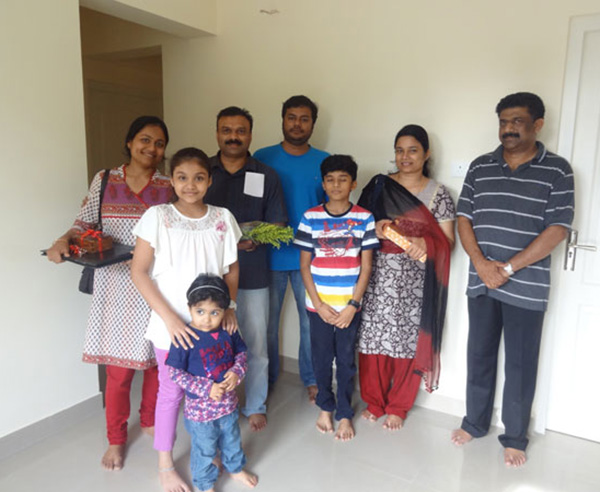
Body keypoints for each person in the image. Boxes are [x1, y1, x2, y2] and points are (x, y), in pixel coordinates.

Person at [451, 92, 575, 468]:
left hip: (526, 286)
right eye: (504, 121)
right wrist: (482, 265)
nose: (508, 129)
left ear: (538, 125)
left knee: (521, 363)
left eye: (517, 121)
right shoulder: (480, 165)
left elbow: (557, 229)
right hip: (482, 282)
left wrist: (507, 268)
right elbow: (463, 219)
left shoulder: (558, 170)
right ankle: (474, 422)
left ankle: (515, 435)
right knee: (480, 355)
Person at [45, 116, 172, 471]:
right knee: (118, 372)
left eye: (159, 143)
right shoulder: (104, 180)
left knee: (157, 363)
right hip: (114, 285)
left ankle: (149, 420)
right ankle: (116, 439)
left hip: (156, 283)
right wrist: (62, 241)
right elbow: (84, 223)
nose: (152, 148)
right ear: (130, 142)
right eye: (145, 140)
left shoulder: (168, 185)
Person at [131, 147, 242, 492]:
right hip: (172, 328)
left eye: (198, 177)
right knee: (172, 392)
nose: (190, 185)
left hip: (212, 326)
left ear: (209, 180)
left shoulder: (223, 217)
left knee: (214, 389)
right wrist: (170, 320)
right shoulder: (158, 216)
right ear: (171, 180)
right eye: (182, 177)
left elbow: (232, 268)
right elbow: (139, 271)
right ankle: (165, 464)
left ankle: (211, 451)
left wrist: (230, 308)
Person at [356, 125, 455, 431]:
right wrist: (376, 227)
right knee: (372, 338)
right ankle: (374, 401)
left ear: (426, 154)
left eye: (413, 150)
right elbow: (356, 224)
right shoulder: (378, 187)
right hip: (375, 275)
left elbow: (448, 241)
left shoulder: (439, 194)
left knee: (406, 343)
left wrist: (429, 243)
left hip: (416, 282)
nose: (405, 156)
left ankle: (398, 405)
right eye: (400, 150)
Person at [204, 106, 287, 432]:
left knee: (255, 342)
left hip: (252, 272)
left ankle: (255, 404)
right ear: (217, 133)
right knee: (207, 341)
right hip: (207, 275)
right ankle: (209, 398)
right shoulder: (202, 171)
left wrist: (250, 237)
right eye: (227, 130)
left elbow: (278, 224)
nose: (233, 136)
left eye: (240, 130)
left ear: (250, 135)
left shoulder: (266, 174)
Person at [295, 155, 378, 441]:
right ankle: (325, 407)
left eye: (343, 179)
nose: (336, 184)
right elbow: (304, 265)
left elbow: (366, 266)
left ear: (353, 183)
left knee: (345, 361)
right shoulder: (310, 217)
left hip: (348, 308)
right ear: (323, 183)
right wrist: (318, 304)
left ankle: (344, 413)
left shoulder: (364, 218)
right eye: (330, 179)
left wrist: (352, 306)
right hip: (318, 306)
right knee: (320, 359)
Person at [254, 95, 329, 402]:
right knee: (266, 327)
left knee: (312, 323)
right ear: (282, 119)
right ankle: (267, 379)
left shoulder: (325, 161)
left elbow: (331, 207)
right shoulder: (262, 157)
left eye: (304, 119)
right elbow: (253, 202)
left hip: (309, 259)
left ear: (313, 123)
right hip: (269, 257)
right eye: (292, 117)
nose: (297, 124)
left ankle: (312, 378)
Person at [166, 274, 258, 492]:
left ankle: (235, 469)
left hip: (228, 405)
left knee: (233, 440)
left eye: (214, 312)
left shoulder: (229, 332)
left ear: (224, 311)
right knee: (204, 449)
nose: (206, 319)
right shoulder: (185, 337)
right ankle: (205, 484)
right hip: (201, 412)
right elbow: (175, 372)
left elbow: (242, 355)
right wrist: (207, 389)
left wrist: (237, 372)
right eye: (200, 312)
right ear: (190, 309)